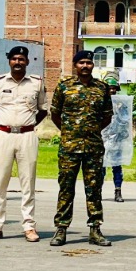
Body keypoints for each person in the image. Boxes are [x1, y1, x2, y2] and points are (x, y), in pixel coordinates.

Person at [0, 46, 48, 242]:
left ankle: (29, 226)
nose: (17, 62)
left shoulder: (36, 84)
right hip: (3, 135)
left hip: (27, 136)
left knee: (28, 183)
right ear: (9, 61)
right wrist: (7, 125)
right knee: (0, 182)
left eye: (21, 59)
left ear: (27, 62)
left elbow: (42, 109)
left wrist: (28, 124)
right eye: (14, 59)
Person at [49, 49, 113, 246]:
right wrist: (70, 132)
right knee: (66, 189)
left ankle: (95, 229)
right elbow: (55, 114)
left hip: (93, 147)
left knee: (94, 189)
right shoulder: (64, 87)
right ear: (75, 65)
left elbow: (107, 116)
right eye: (81, 63)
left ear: (93, 65)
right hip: (69, 147)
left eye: (88, 63)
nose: (85, 66)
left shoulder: (101, 88)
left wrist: (91, 131)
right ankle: (61, 229)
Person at [101, 73, 125, 202]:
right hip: (102, 138)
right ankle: (97, 191)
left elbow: (125, 121)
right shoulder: (100, 102)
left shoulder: (121, 104)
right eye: (110, 88)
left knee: (117, 167)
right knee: (101, 168)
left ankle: (118, 191)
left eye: (114, 88)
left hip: (116, 139)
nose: (112, 90)